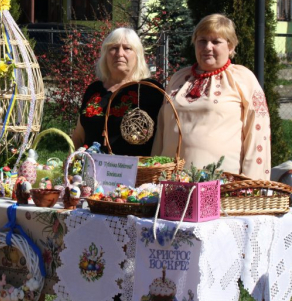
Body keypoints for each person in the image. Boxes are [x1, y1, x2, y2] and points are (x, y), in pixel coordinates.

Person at [152, 14, 270, 180]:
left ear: (230, 46)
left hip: (222, 184)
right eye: (202, 41)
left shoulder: (243, 78)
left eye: (216, 42)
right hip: (171, 181)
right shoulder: (178, 79)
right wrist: (154, 174)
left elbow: (258, 132)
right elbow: (162, 130)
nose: (207, 47)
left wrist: (251, 182)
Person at [71, 27, 164, 156]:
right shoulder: (94, 89)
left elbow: (164, 135)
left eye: (127, 48)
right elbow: (79, 136)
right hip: (91, 169)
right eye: (113, 48)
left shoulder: (151, 90)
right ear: (105, 55)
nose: (119, 53)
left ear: (138, 55)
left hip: (136, 172)